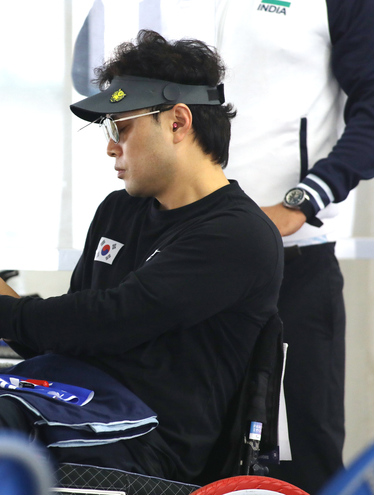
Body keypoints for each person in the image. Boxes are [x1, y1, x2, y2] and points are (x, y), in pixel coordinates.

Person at [0, 31, 283, 485]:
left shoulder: (237, 235)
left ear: (177, 122)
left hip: (154, 438)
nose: (111, 146)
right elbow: (70, 334)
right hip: (73, 398)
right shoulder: (119, 210)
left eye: (120, 127)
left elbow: (115, 318)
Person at [71, 2, 374, 492]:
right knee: (169, 450)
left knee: (301, 455)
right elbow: (99, 82)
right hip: (171, 258)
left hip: (290, 260)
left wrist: (304, 201)